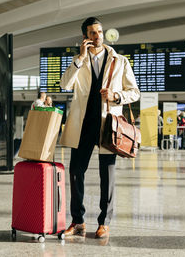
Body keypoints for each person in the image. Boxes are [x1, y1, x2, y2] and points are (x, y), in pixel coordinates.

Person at [59, 17, 140, 239]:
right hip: (83, 124)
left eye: (100, 32)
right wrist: (80, 59)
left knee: (108, 175)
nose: (98, 36)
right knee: (76, 172)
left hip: (108, 126)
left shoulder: (119, 60)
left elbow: (134, 92)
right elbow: (64, 85)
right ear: (85, 37)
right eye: (93, 33)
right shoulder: (79, 61)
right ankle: (77, 221)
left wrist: (117, 96)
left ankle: (104, 222)